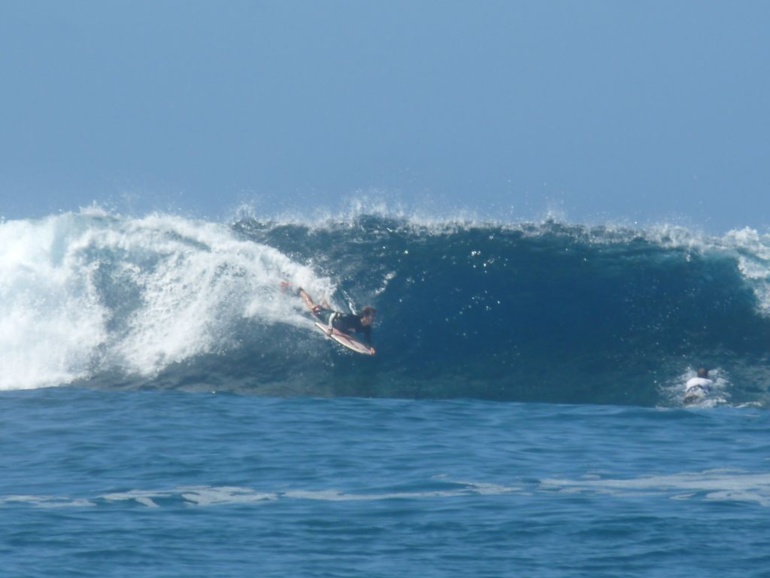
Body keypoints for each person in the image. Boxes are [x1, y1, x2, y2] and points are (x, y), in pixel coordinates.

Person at [297, 287, 376, 347]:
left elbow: (367, 339)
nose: (373, 318)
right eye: (371, 316)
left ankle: (322, 295)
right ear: (365, 316)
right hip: (329, 318)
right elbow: (333, 316)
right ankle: (300, 290)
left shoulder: (367, 328)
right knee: (311, 307)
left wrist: (370, 347)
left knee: (327, 309)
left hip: (337, 322)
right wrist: (330, 328)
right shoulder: (352, 318)